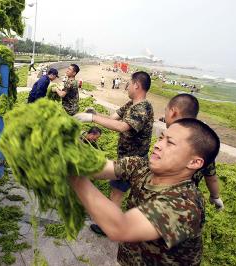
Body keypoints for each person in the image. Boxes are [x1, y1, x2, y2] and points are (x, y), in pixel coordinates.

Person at [70, 118, 220, 265]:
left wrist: (74, 178)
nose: (158, 145)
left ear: (194, 162)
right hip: (130, 257)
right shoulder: (142, 166)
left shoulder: (186, 205)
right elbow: (96, 167)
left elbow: (120, 227)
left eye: (170, 142)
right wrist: (64, 153)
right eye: (161, 138)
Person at [74, 71, 154, 235]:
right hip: (126, 159)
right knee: (118, 193)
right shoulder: (131, 104)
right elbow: (113, 118)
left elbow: (123, 126)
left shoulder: (143, 108)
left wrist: (92, 119)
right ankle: (115, 225)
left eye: (128, 84)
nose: (127, 87)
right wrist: (94, 114)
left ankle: (111, 227)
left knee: (118, 194)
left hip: (134, 162)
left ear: (136, 85)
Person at [164, 93, 224, 209]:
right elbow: (211, 177)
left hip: (161, 193)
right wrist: (215, 196)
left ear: (173, 112)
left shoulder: (170, 137)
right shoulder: (203, 140)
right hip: (186, 199)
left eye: (165, 110)